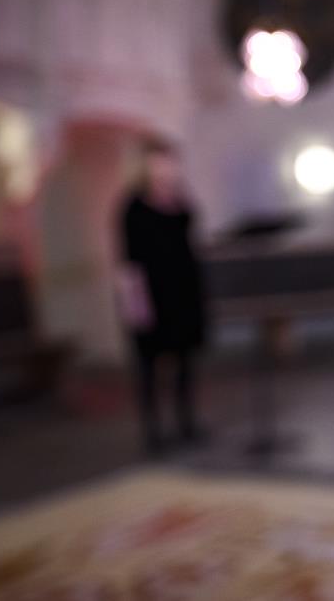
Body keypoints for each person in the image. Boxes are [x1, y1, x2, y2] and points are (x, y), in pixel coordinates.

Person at [116, 138, 209, 454]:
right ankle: (153, 431)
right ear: (145, 165)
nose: (166, 167)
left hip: (183, 291)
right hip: (152, 294)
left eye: (170, 160)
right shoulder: (133, 207)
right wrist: (137, 308)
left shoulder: (181, 200)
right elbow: (128, 262)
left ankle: (186, 422)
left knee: (185, 360)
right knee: (149, 365)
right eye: (159, 161)